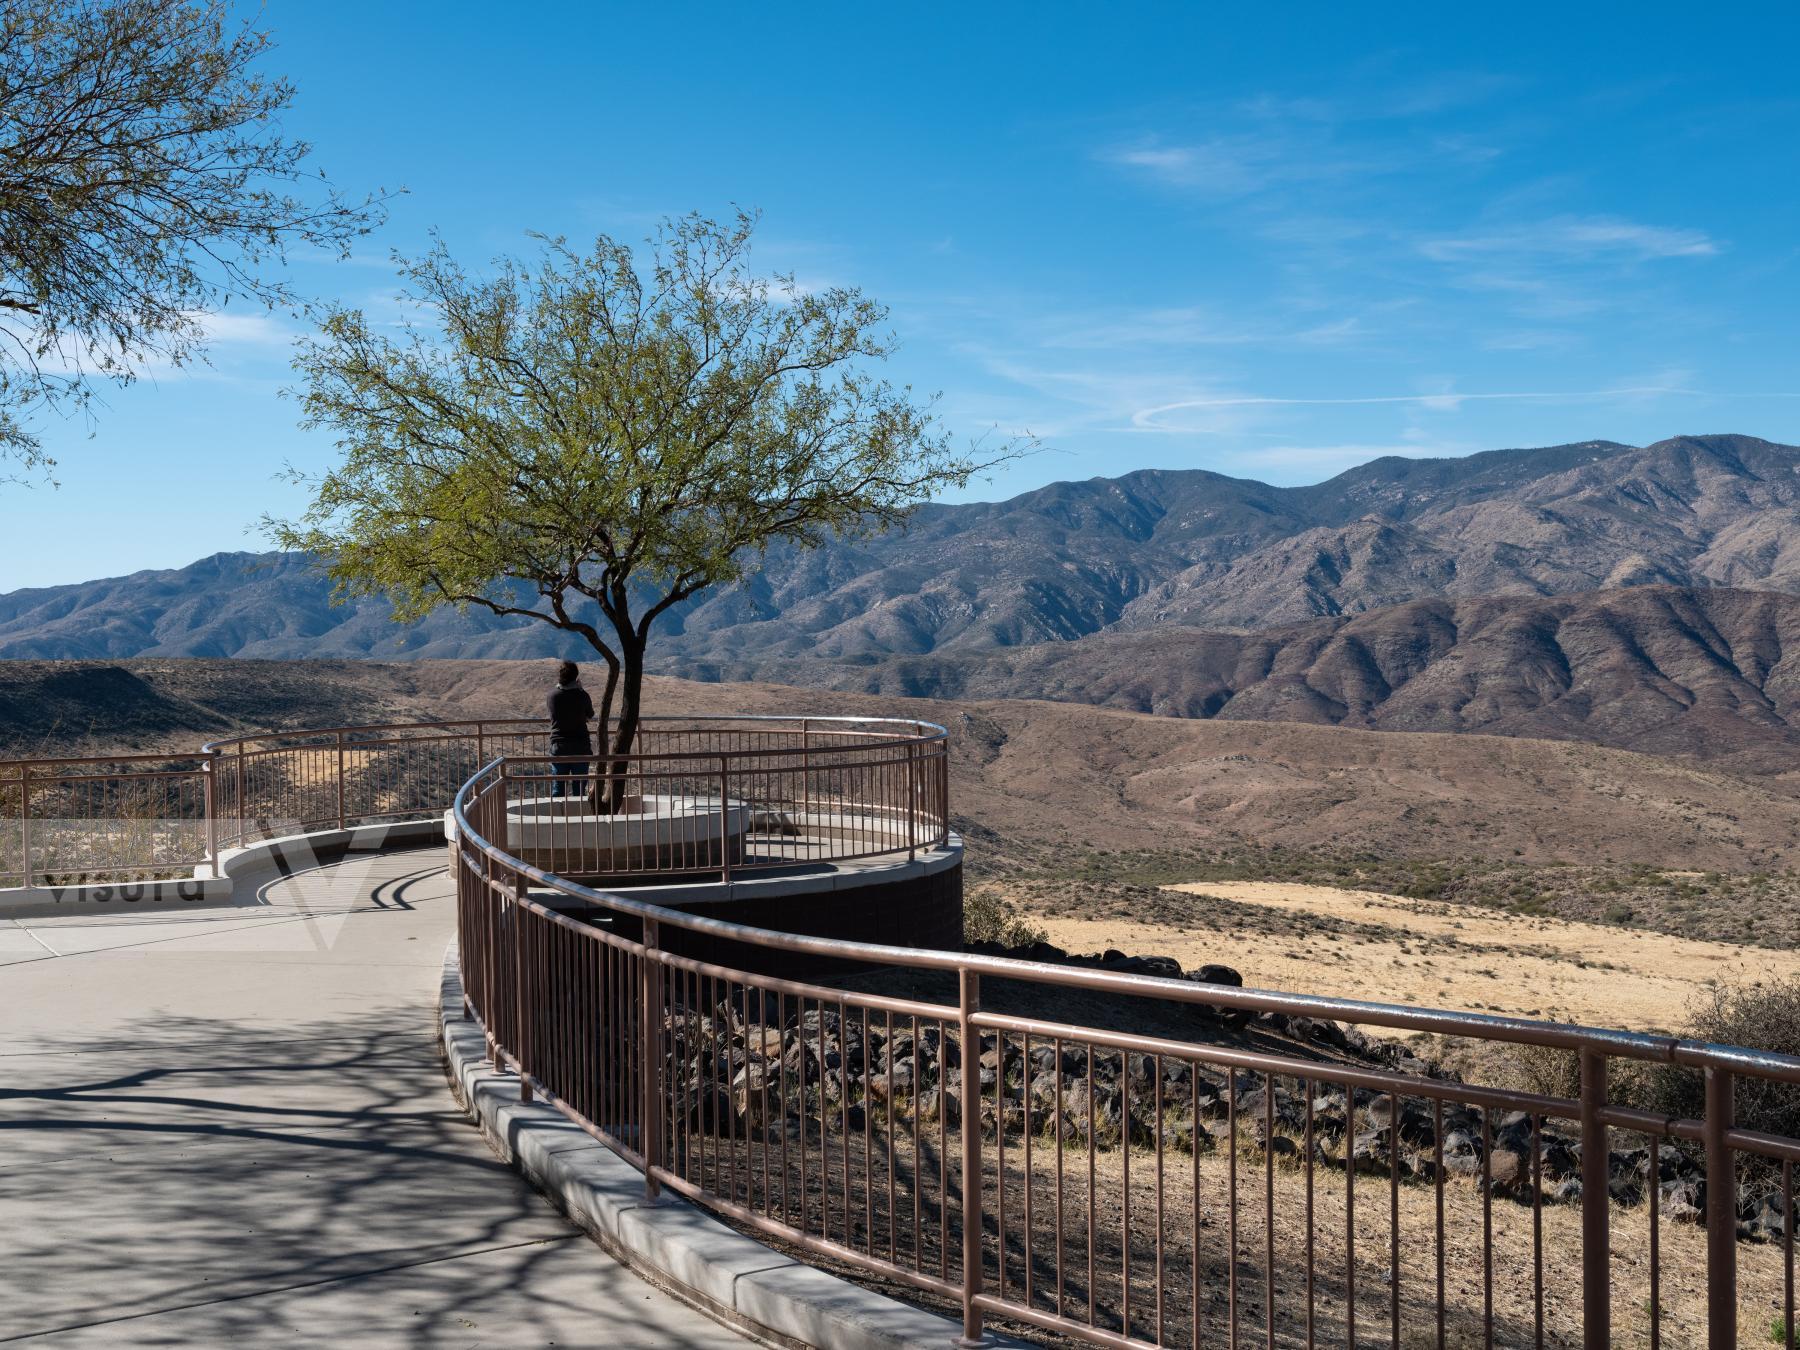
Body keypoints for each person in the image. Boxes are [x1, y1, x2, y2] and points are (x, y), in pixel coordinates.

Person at [546, 659, 594, 799]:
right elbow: (590, 715)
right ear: (576, 677)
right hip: (580, 747)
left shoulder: (552, 696)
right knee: (579, 789)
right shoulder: (582, 695)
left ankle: (557, 818)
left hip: (559, 747)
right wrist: (580, 689)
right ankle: (579, 818)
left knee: (558, 788)